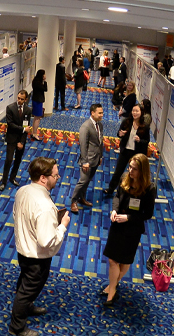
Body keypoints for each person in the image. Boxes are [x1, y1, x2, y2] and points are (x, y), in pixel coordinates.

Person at [8, 157, 70, 336]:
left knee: (24, 283)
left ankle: (27, 306)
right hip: (37, 257)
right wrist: (63, 225)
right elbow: (46, 241)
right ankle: (16, 327)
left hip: (23, 250)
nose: (58, 178)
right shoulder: (44, 206)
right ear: (43, 178)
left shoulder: (22, 190)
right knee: (28, 290)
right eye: (55, 175)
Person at [101, 154, 156, 306]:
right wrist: (114, 210)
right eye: (130, 167)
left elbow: (147, 214)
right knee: (113, 259)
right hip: (117, 225)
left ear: (143, 171)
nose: (130, 171)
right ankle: (112, 292)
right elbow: (117, 196)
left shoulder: (149, 189)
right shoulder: (125, 178)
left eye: (135, 169)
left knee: (125, 261)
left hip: (132, 228)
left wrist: (128, 217)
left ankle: (112, 286)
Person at [105, 104, 149, 195]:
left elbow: (147, 141)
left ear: (141, 113)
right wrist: (120, 134)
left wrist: (139, 140)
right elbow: (118, 133)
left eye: (137, 111)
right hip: (125, 151)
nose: (135, 113)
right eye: (133, 111)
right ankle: (110, 189)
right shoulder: (126, 122)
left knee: (134, 173)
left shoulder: (145, 126)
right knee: (118, 172)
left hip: (136, 153)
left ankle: (132, 190)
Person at [70, 104, 104, 213]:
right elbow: (83, 145)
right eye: (99, 113)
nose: (102, 115)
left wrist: (100, 156)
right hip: (87, 160)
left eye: (102, 112)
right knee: (83, 181)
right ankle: (73, 201)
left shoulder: (100, 125)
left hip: (96, 159)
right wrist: (85, 161)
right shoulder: (86, 126)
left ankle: (82, 198)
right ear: (92, 113)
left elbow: (100, 143)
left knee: (87, 181)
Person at [0, 90, 32, 192]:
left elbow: (26, 127)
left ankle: (12, 178)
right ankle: (3, 182)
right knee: (8, 160)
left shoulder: (28, 110)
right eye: (18, 98)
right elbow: (10, 124)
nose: (19, 100)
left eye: (22, 99)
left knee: (17, 160)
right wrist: (22, 129)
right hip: (11, 138)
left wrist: (22, 142)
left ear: (25, 99)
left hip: (20, 140)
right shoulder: (10, 108)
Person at [30, 69, 47, 141]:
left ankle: (33, 132)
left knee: (36, 118)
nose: (45, 76)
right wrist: (45, 82)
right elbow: (45, 89)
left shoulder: (35, 81)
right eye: (44, 74)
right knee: (37, 118)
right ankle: (34, 134)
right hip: (38, 101)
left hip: (36, 100)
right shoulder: (38, 83)